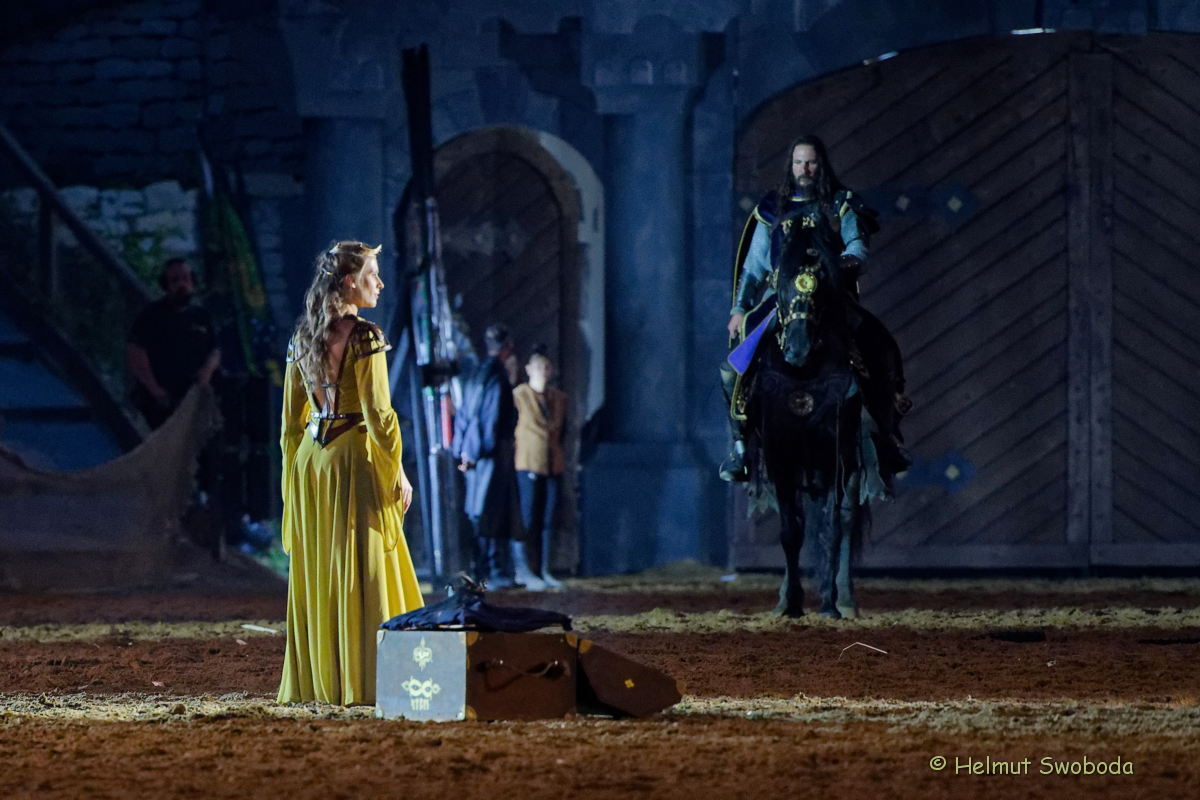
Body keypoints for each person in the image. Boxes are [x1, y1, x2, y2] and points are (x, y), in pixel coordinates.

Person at [277, 241, 423, 706]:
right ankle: (369, 679)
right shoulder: (364, 336)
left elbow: (290, 423)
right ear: (348, 282)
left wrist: (292, 484)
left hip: (311, 463)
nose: (379, 283)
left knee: (325, 566)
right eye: (371, 275)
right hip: (350, 461)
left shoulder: (301, 338)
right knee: (367, 566)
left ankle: (321, 683)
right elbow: (379, 414)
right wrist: (396, 471)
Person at [719, 134, 876, 481]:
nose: (805, 169)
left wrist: (836, 267)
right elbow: (754, 266)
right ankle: (740, 448)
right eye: (799, 162)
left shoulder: (840, 203)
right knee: (731, 369)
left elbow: (857, 247)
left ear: (821, 165)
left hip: (830, 297)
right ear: (790, 165)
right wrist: (739, 308)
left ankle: (883, 441)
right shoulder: (772, 207)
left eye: (811, 162)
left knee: (875, 352)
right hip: (781, 300)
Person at [451, 323, 530, 588]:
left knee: (481, 511)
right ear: (508, 347)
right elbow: (490, 420)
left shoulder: (477, 373)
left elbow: (465, 415)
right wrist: (474, 452)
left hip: (477, 453)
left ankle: (486, 570)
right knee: (489, 512)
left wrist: (464, 450)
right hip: (491, 454)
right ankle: (489, 572)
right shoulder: (496, 378)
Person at [127, 257, 220, 428]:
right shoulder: (151, 315)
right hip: (162, 401)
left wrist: (206, 372)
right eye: (175, 280)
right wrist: (156, 391)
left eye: (186, 278)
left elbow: (214, 349)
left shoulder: (201, 316)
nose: (182, 284)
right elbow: (136, 353)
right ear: (166, 285)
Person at [513, 345, 568, 590]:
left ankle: (544, 568)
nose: (543, 372)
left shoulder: (558, 399)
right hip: (528, 463)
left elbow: (562, 430)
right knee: (528, 518)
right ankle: (524, 569)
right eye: (538, 367)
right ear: (528, 369)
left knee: (547, 519)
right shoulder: (520, 395)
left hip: (552, 464)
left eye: (546, 367)